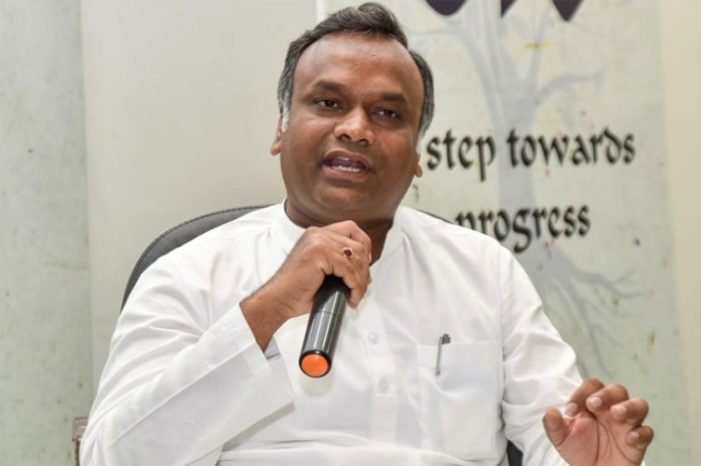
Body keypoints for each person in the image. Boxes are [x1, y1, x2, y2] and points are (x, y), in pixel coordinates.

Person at [81, 3, 653, 465]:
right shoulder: (190, 272)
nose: (355, 129)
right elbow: (112, 457)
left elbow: (556, 436)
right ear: (281, 129)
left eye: (387, 114)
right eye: (329, 103)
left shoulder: (484, 271)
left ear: (418, 155)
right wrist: (267, 309)